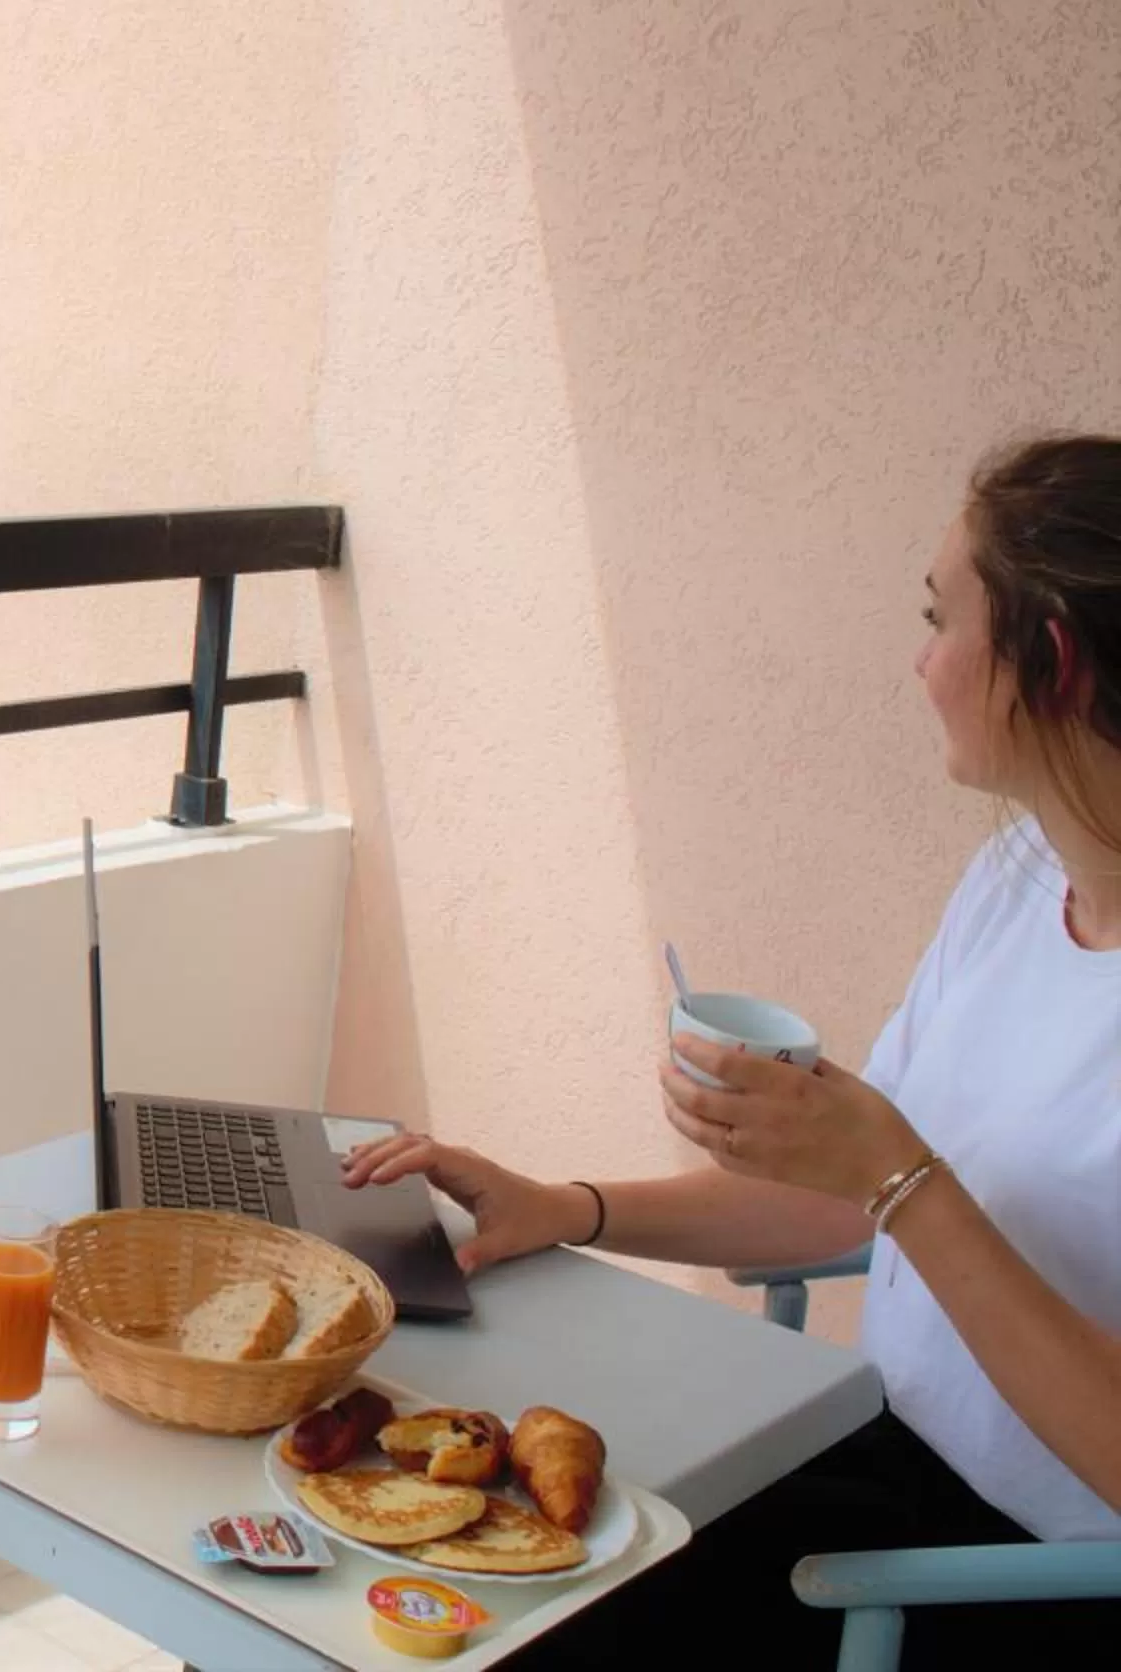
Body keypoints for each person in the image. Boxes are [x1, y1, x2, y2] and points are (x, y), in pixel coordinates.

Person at [343, 434, 1121, 1666]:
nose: (920, 663)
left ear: (1055, 660)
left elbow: (901, 1197)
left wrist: (900, 1180)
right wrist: (570, 1205)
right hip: (878, 1455)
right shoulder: (1023, 878)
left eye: (941, 618)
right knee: (380, 1574)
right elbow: (846, 1206)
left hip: (1016, 1579)